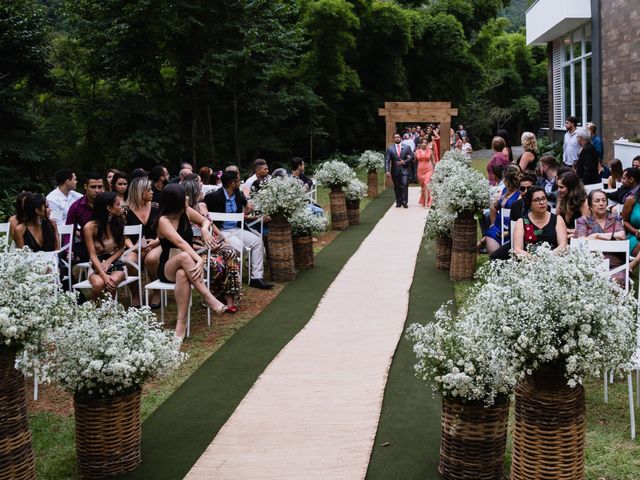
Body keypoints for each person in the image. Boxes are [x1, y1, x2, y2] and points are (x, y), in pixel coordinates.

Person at [156, 184, 228, 338]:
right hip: (168, 266)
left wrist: (203, 228)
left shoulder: (186, 212)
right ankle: (209, 298)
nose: (187, 198)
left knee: (182, 274)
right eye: (184, 196)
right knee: (184, 256)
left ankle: (181, 324)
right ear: (176, 201)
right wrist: (198, 260)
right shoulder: (163, 220)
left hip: (187, 267)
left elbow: (206, 221)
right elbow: (181, 243)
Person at [205, 171, 272, 289]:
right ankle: (233, 279)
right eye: (237, 181)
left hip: (237, 228)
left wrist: (248, 209)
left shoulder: (238, 194)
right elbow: (206, 215)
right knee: (239, 247)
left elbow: (246, 210)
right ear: (232, 183)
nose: (239, 183)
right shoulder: (214, 197)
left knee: (257, 242)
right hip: (221, 231)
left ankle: (256, 277)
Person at [183, 176, 241, 311]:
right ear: (193, 192)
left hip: (212, 242)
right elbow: (185, 241)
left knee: (231, 252)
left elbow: (211, 224)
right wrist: (204, 247)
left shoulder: (202, 206)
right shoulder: (183, 213)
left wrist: (222, 238)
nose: (202, 191)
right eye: (200, 189)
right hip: (197, 248)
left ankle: (229, 296)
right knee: (215, 263)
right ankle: (213, 296)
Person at [123, 176, 161, 308]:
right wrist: (133, 247)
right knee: (129, 260)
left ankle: (156, 292)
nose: (152, 192)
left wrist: (156, 241)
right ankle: (136, 295)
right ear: (139, 192)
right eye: (148, 190)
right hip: (134, 246)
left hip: (156, 244)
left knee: (151, 259)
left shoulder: (156, 206)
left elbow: (163, 229)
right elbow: (124, 236)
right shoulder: (125, 211)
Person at [83, 192, 129, 299]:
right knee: (98, 284)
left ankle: (110, 311)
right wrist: (103, 274)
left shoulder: (119, 222)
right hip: (97, 263)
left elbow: (122, 248)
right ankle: (95, 310)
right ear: (109, 208)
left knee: (112, 281)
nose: (121, 207)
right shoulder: (89, 227)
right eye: (118, 204)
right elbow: (92, 255)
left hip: (115, 261)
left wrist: (109, 261)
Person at [575, 190, 626, 285]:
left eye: (603, 200)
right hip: (591, 265)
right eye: (597, 201)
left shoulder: (615, 219)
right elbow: (581, 240)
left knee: (617, 281)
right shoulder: (583, 221)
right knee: (590, 282)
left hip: (615, 265)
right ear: (590, 205)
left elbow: (622, 236)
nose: (601, 203)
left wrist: (597, 235)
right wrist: (612, 238)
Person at [488, 174, 537, 261]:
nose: (525, 191)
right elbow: (512, 228)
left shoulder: (541, 205)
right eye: (522, 189)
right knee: (494, 257)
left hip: (536, 239)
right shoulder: (516, 205)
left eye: (529, 188)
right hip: (517, 241)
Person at [512, 186, 568, 255]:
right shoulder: (521, 222)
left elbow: (563, 245)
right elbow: (518, 249)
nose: (542, 202)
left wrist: (547, 257)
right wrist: (532, 259)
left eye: (544, 198)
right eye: (536, 200)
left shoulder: (557, 219)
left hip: (553, 259)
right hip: (529, 261)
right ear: (529, 203)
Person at [480, 166, 521, 255]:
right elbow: (495, 206)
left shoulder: (519, 193)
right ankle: (484, 242)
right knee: (491, 232)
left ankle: (482, 243)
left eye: (504, 179)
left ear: (507, 180)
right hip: (499, 223)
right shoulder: (505, 190)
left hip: (510, 225)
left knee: (491, 234)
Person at [67, 172, 105, 261]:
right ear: (85, 187)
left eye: (100, 187)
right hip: (86, 245)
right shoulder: (76, 206)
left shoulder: (109, 203)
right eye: (93, 187)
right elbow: (69, 231)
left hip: (108, 245)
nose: (97, 190)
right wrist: (68, 250)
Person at [385, 133, 414, 208]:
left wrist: (404, 161)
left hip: (405, 170)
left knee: (404, 184)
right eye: (395, 137)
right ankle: (398, 201)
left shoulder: (407, 147)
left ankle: (404, 202)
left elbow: (412, 157)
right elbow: (387, 160)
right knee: (397, 186)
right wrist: (387, 170)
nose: (396, 138)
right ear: (393, 139)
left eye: (398, 137)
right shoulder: (390, 148)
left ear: (400, 138)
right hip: (395, 170)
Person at [415, 139, 435, 208]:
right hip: (420, 170)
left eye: (425, 143)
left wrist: (435, 169)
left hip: (429, 169)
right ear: (420, 144)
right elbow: (413, 160)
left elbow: (433, 161)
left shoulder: (430, 151)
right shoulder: (417, 151)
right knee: (423, 186)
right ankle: (424, 200)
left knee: (426, 184)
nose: (424, 144)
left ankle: (426, 203)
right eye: (422, 142)